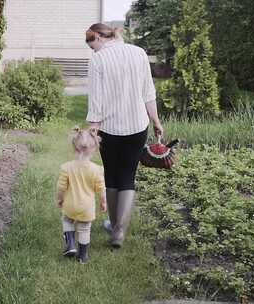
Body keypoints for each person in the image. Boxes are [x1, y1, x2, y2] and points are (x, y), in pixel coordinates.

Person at [85, 23, 164, 248]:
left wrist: (93, 130)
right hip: (138, 126)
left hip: (109, 129)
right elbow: (148, 91)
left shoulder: (98, 60)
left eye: (93, 45)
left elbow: (96, 101)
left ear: (100, 37)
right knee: (128, 175)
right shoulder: (139, 53)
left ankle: (113, 223)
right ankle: (119, 231)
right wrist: (156, 121)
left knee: (111, 175)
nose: (94, 51)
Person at [57, 127, 107, 263]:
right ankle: (83, 256)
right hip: (87, 207)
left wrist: (60, 199)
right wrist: (103, 202)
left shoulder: (66, 167)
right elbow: (101, 189)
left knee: (67, 220)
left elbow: (61, 187)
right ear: (95, 149)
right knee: (84, 229)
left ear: (74, 147)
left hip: (70, 205)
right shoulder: (97, 170)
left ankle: (71, 243)